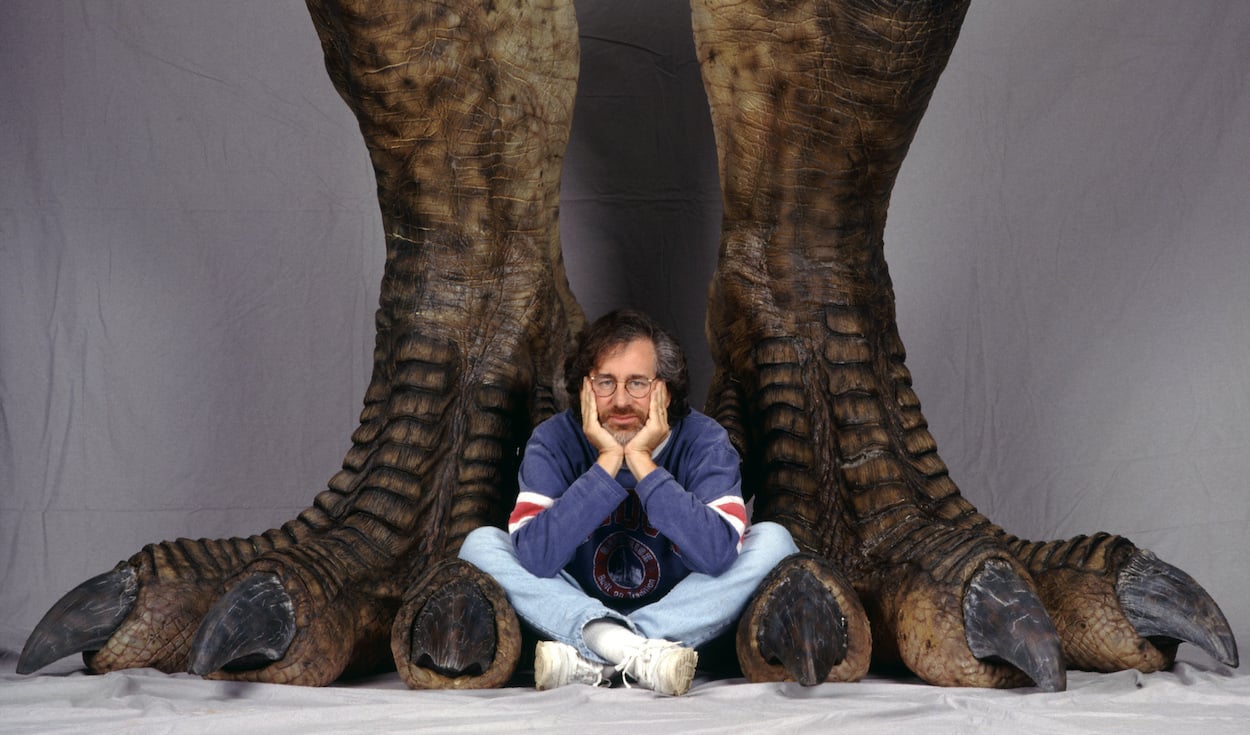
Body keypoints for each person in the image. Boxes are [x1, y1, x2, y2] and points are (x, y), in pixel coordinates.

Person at [459, 309, 798, 696]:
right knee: (482, 544)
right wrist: (605, 466)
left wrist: (642, 463)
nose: (620, 400)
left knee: (773, 540)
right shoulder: (553, 441)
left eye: (638, 383)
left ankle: (600, 657)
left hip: (680, 606)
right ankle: (637, 655)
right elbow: (536, 556)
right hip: (574, 601)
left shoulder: (704, 442)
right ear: (584, 389)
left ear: (665, 391)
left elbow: (717, 553)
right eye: (605, 382)